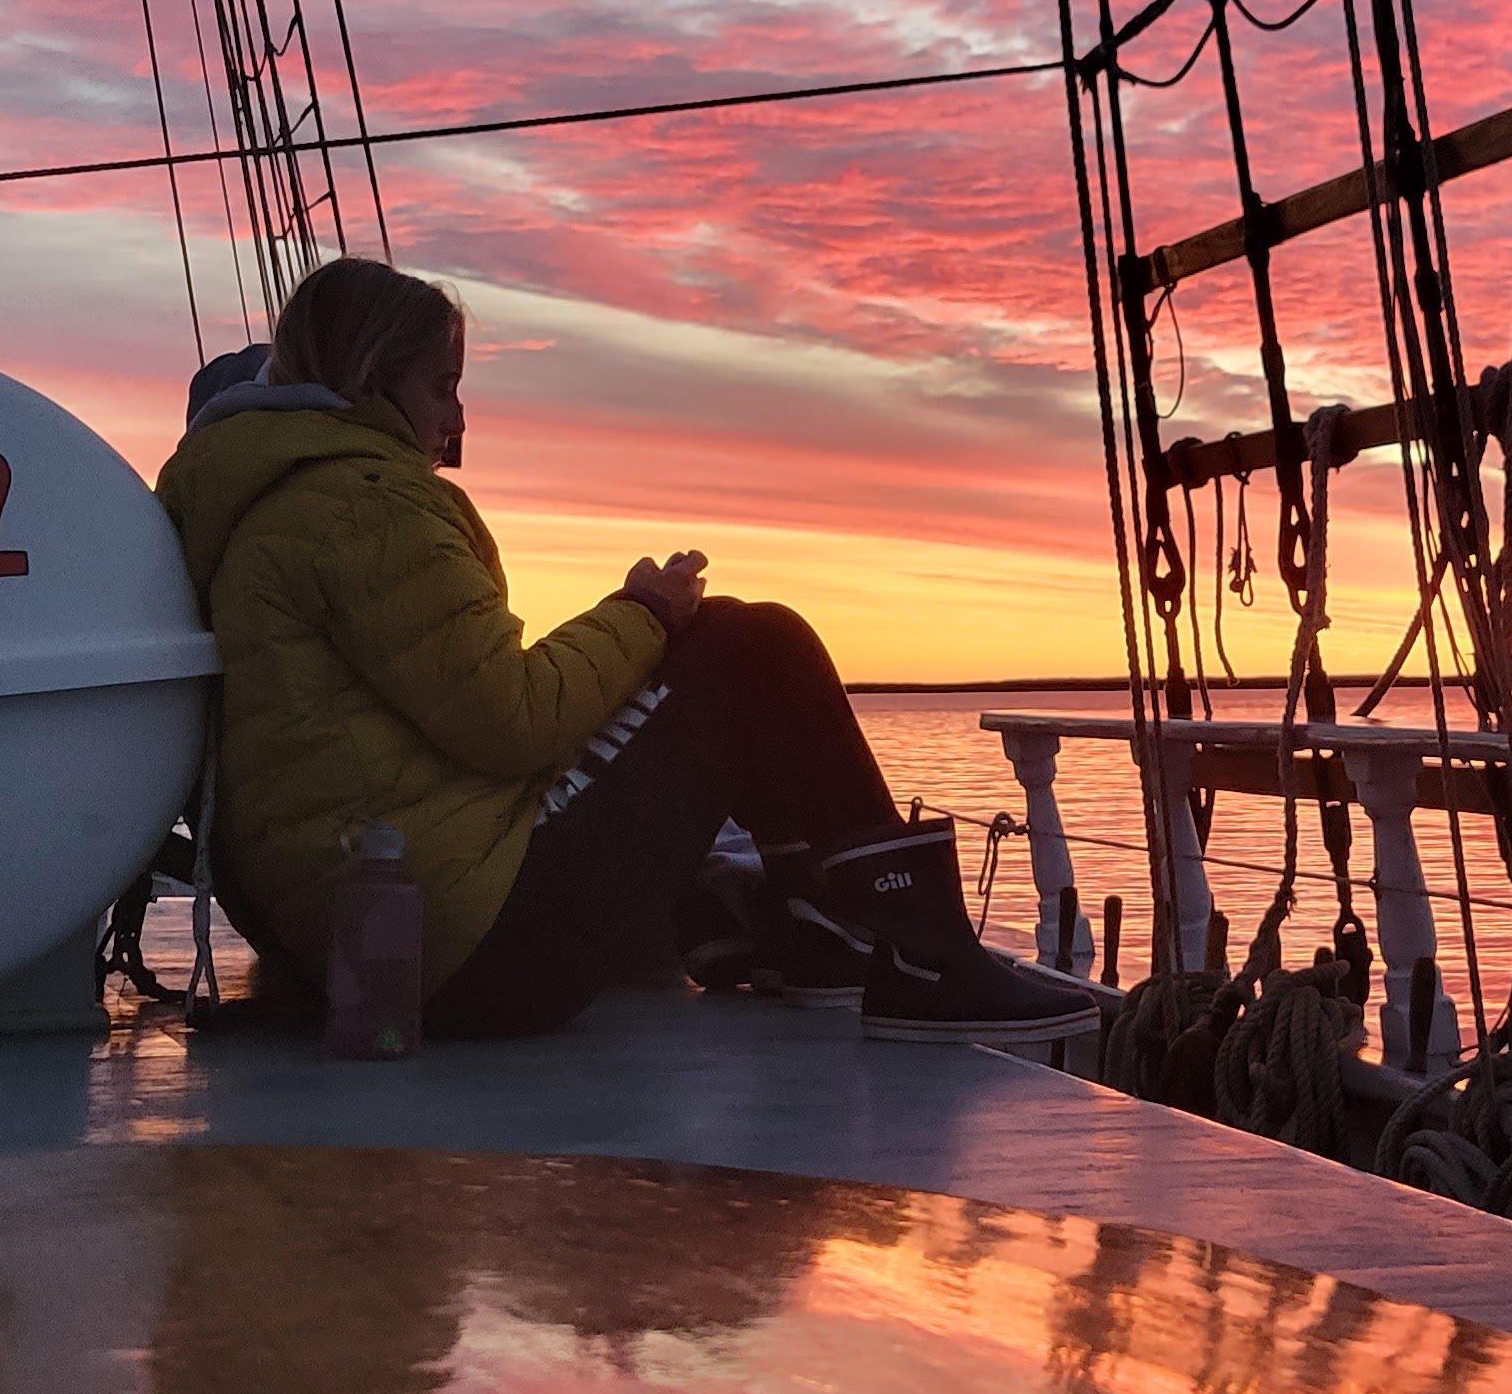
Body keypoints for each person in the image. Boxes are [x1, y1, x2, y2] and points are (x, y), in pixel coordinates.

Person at [155, 257, 1097, 1044]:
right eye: (442, 387)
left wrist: (633, 642)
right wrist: (642, 614)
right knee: (744, 643)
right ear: (371, 379)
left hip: (361, 929)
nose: (459, 420)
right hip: (457, 946)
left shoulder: (254, 506)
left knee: (718, 655)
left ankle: (821, 934)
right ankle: (921, 953)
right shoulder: (359, 505)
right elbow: (516, 721)